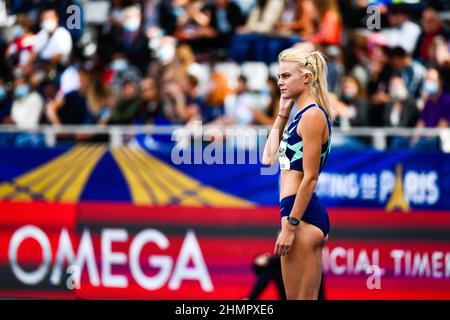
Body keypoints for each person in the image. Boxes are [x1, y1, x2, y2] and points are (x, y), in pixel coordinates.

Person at [262, 47, 332, 300]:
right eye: (279, 76)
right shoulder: (298, 116)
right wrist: (282, 111)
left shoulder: (312, 116)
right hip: (297, 213)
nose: (280, 82)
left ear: (306, 78)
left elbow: (310, 178)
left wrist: (290, 226)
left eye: (286, 76)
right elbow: (268, 158)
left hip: (300, 216)